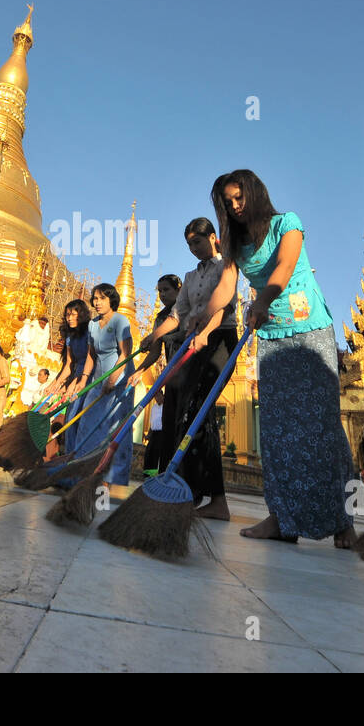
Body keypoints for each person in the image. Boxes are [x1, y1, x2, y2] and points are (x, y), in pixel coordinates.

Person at [193, 170, 357, 547]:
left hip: (309, 327)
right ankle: (282, 518)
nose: (235, 206)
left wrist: (263, 300)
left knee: (322, 424)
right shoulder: (234, 245)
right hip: (268, 334)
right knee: (277, 429)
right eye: (227, 202)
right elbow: (226, 287)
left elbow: (284, 266)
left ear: (254, 192)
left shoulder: (288, 222)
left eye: (240, 197)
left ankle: (342, 521)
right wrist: (204, 318)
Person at [138, 220, 238, 520]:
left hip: (219, 339)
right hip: (194, 341)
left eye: (198, 242)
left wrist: (207, 332)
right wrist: (153, 336)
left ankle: (212, 497)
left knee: (200, 410)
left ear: (213, 238)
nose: (194, 249)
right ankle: (184, 486)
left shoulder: (227, 267)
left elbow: (227, 306)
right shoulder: (190, 276)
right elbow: (177, 315)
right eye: (189, 244)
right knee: (181, 410)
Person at [67, 283, 135, 493]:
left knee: (114, 429)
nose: (96, 303)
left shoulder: (120, 321)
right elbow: (90, 355)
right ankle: (84, 472)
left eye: (102, 299)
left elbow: (125, 354)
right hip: (98, 379)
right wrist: (83, 379)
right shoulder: (92, 325)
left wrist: (112, 380)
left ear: (111, 300)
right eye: (95, 299)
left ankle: (110, 478)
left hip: (119, 380)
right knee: (87, 423)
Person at [134, 274, 182, 477]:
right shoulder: (160, 318)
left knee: (185, 424)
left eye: (166, 290)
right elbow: (155, 353)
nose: (162, 294)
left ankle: (184, 474)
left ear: (179, 290)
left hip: (190, 371)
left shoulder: (187, 310)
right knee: (169, 425)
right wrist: (139, 371)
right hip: (172, 376)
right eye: (159, 291)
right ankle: (164, 472)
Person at [44, 299, 94, 460]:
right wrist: (54, 384)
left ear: (82, 315)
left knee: (80, 420)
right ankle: (69, 458)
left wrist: (75, 383)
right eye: (67, 315)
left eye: (73, 314)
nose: (69, 318)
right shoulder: (70, 338)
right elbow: (69, 364)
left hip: (89, 377)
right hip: (76, 376)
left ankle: (80, 458)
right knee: (70, 419)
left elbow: (89, 359)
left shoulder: (90, 333)